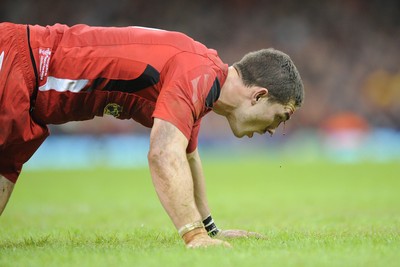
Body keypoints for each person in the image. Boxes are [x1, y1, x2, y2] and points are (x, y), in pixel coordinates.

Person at [0, 22, 304, 248]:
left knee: (6, 166)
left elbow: (187, 157)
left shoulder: (205, 81)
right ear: (259, 95)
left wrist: (211, 230)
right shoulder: (197, 74)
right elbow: (163, 153)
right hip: (19, 64)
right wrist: (194, 236)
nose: (273, 130)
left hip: (27, 93)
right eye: (279, 117)